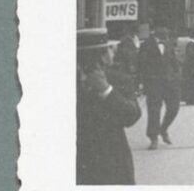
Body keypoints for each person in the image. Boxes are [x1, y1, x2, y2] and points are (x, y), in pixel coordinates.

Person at [77, 28, 142, 185]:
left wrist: (106, 91)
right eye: (109, 49)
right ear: (102, 56)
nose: (113, 53)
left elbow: (132, 115)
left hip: (112, 164)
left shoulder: (118, 80)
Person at [137, 27, 181, 150]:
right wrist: (143, 82)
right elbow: (141, 63)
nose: (167, 39)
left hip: (169, 82)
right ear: (158, 37)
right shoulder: (146, 45)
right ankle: (153, 138)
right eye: (165, 37)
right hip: (153, 82)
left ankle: (163, 128)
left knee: (174, 107)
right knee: (154, 110)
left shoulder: (168, 44)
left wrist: (177, 75)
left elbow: (173, 61)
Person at [113, 24, 141, 89]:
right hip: (127, 64)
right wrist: (132, 67)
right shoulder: (127, 41)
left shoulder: (133, 39)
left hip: (130, 63)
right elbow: (128, 54)